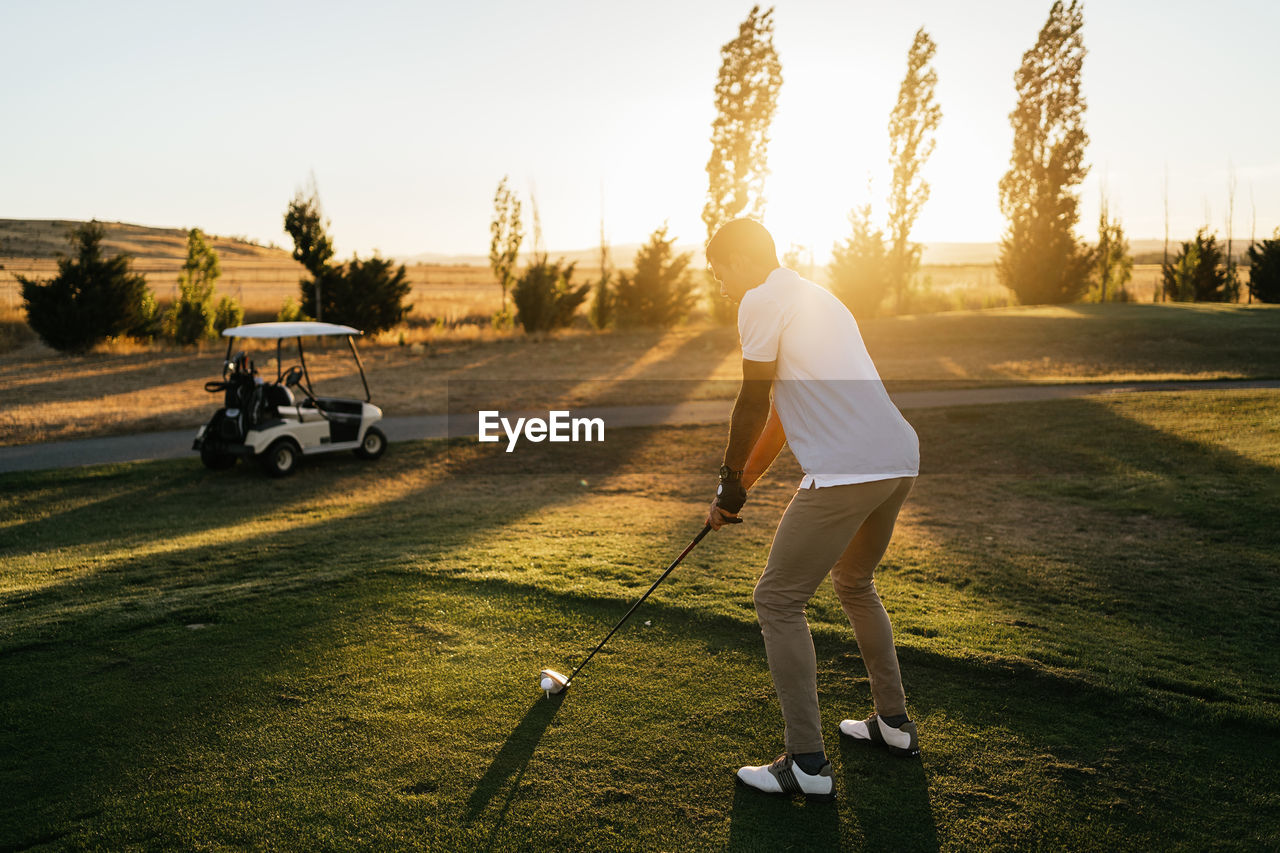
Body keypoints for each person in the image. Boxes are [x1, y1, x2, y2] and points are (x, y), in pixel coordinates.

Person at [704, 218, 921, 802]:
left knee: (777, 599)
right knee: (855, 582)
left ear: (744, 261)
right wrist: (739, 487)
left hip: (847, 470)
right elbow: (778, 415)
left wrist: (726, 482)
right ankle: (894, 726)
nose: (719, 282)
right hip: (899, 459)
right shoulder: (817, 296)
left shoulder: (758, 299)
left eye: (719, 268)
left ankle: (805, 762)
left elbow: (750, 401)